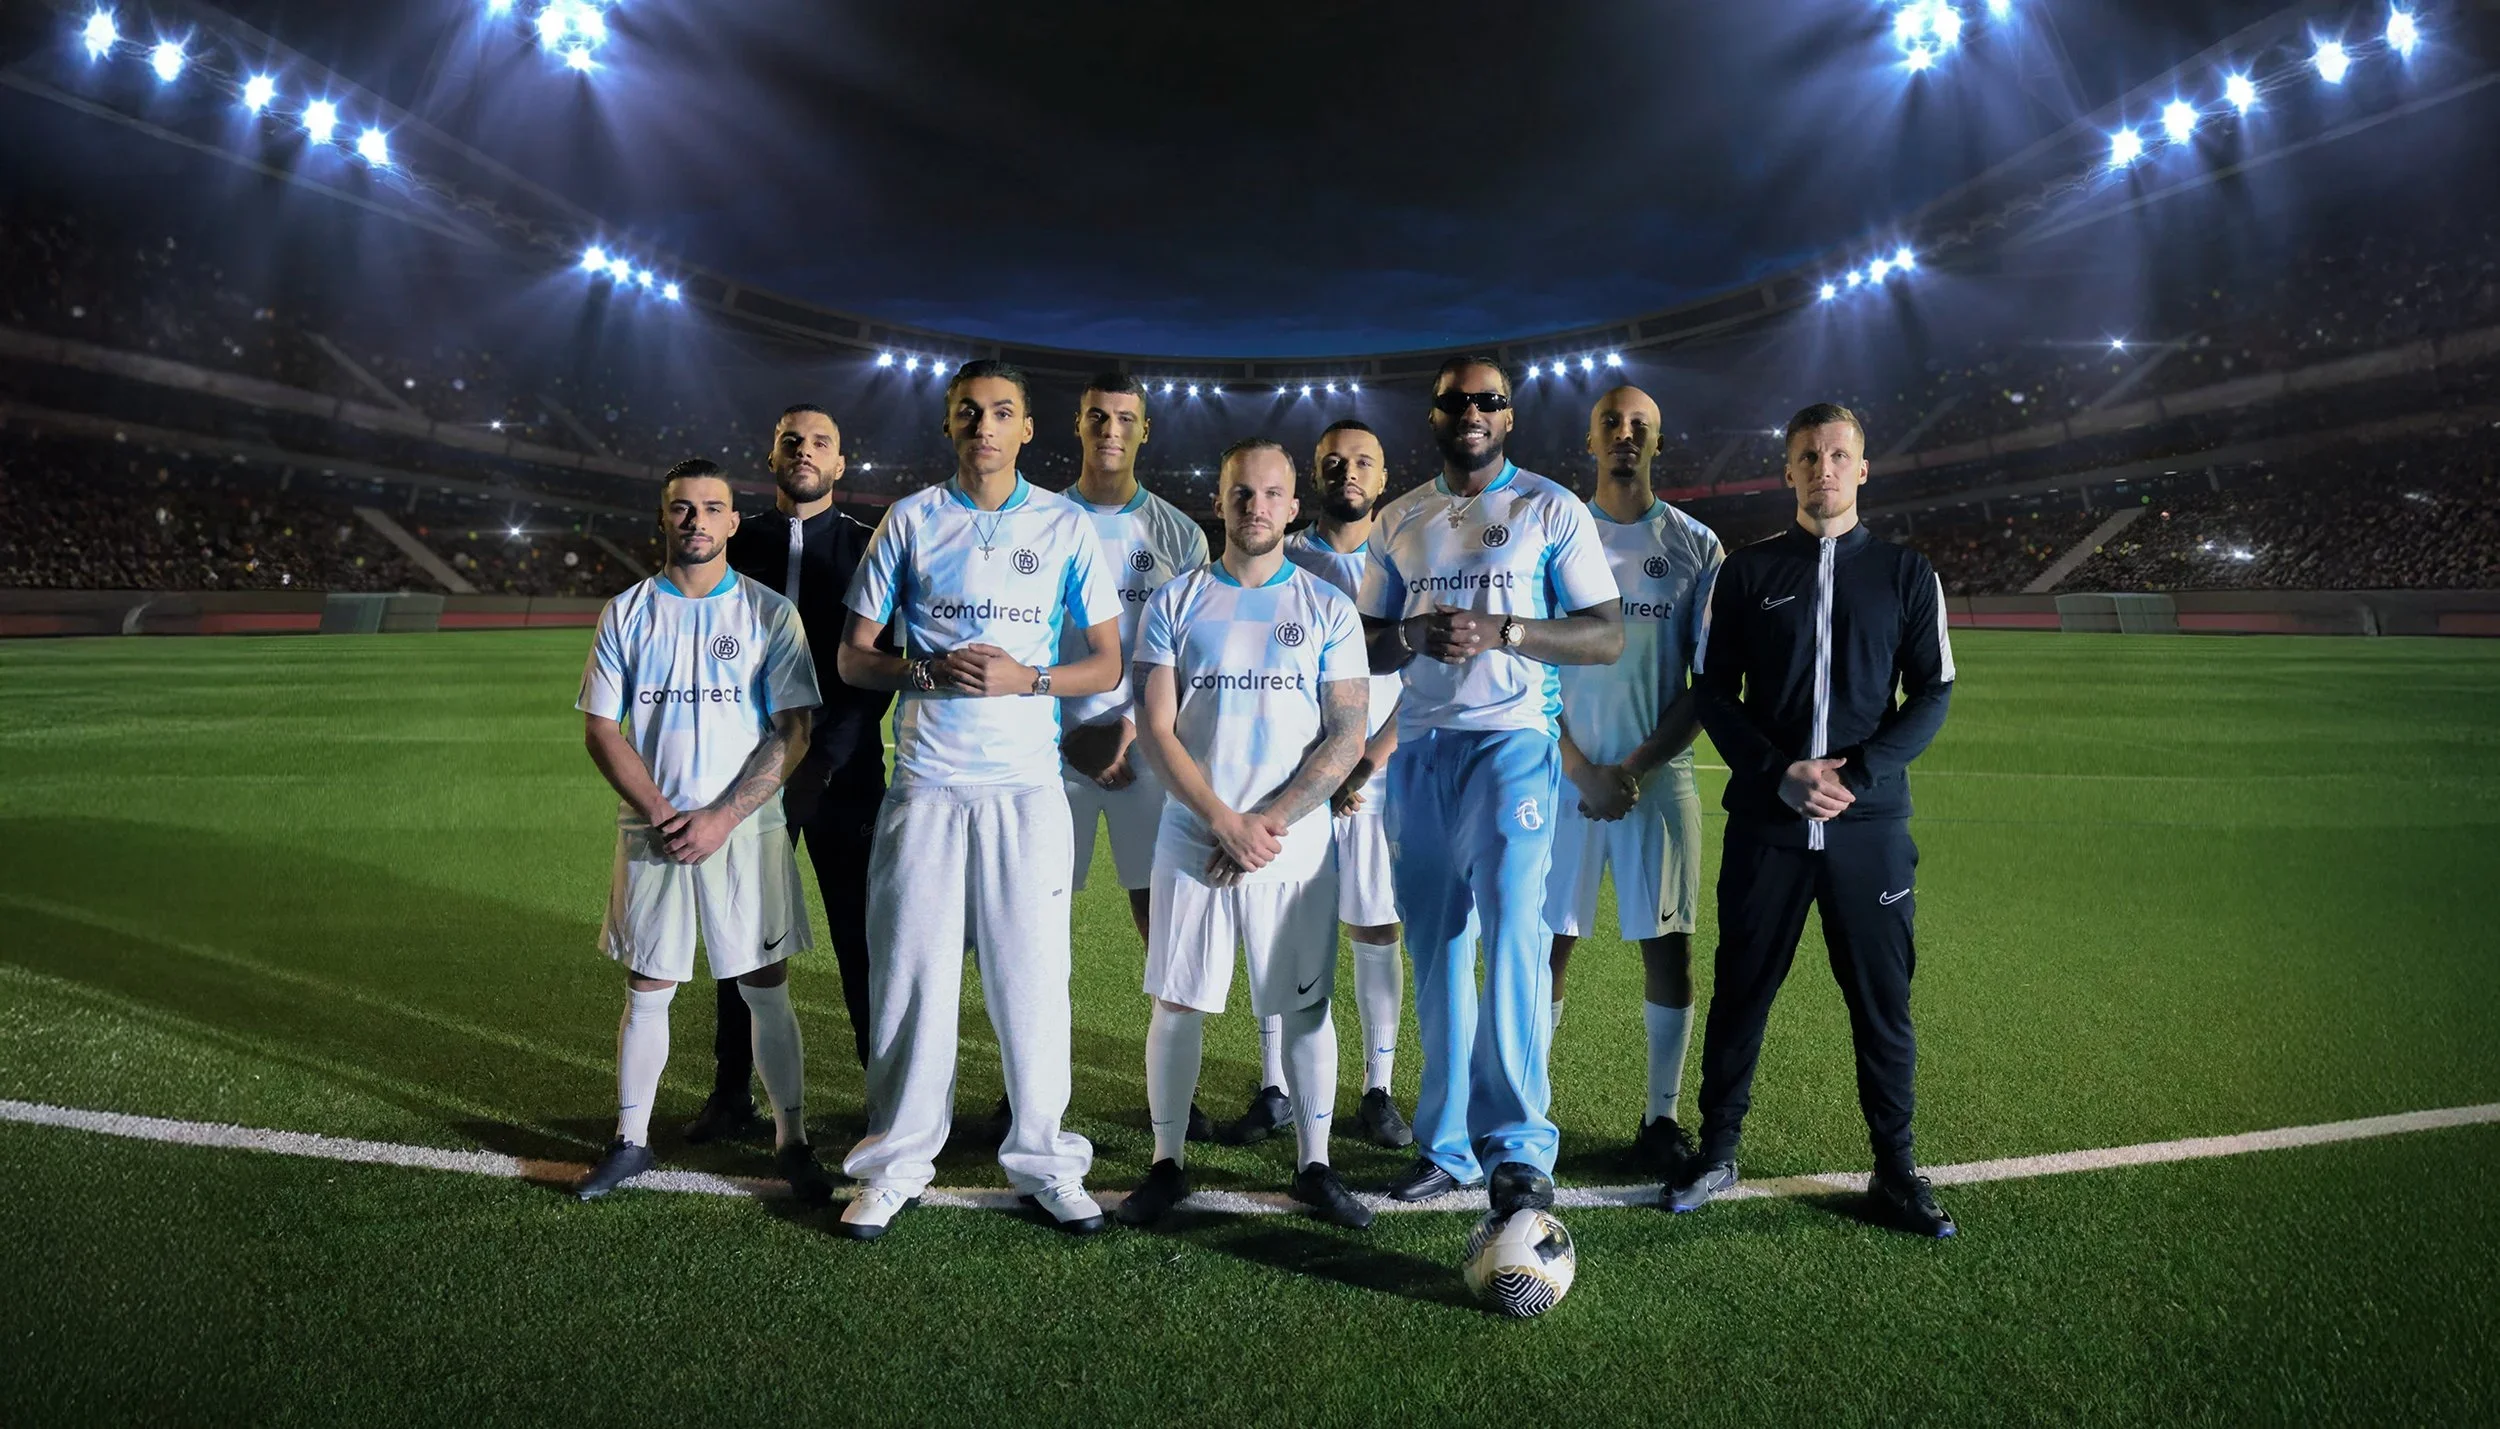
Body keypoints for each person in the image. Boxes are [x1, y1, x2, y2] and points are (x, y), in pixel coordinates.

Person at [833, 360, 1125, 1241]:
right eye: (969, 412)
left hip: (1027, 789)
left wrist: (1029, 677)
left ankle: (1044, 1162)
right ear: (949, 424)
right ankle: (894, 1163)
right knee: (912, 981)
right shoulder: (911, 520)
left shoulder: (1066, 524)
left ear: (1028, 429)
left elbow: (1106, 663)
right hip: (926, 783)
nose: (984, 426)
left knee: (1032, 984)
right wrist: (925, 668)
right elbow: (855, 657)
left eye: (1002, 413)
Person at [1669, 402, 1960, 1238]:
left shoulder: (1907, 574)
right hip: (1769, 822)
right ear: (1788, 470)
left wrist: (1860, 773)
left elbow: (1933, 690)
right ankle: (1718, 1149)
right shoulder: (1748, 573)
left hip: (1869, 832)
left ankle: (1895, 1169)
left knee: (1881, 1003)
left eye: (1839, 454)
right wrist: (1776, 770)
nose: (1824, 468)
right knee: (1742, 991)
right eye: (1808, 456)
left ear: (1863, 469)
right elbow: (1712, 691)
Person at [1356, 356, 1624, 1212]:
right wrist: (1411, 633)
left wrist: (1505, 629)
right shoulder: (1399, 517)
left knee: (1512, 941)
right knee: (1435, 955)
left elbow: (1606, 634)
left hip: (1512, 748)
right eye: (1455, 402)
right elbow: (1366, 642)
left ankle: (1516, 1146)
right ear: (1432, 416)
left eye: (1488, 401)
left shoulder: (1551, 507)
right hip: (1423, 756)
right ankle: (1445, 1145)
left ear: (1508, 417)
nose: (1471, 412)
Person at [1116, 439, 1374, 1230]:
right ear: (1219, 501)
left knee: (1305, 1009)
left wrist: (1267, 822)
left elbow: (1347, 734)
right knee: (1178, 1001)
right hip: (1194, 837)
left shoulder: (1327, 605)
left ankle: (1315, 1166)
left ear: (1293, 507)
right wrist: (1221, 820)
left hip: (1291, 847)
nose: (1255, 506)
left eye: (1271, 494)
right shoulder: (1175, 601)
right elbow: (1157, 731)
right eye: (1241, 493)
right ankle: (1167, 1164)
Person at [572, 459, 834, 1206]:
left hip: (745, 831)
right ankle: (630, 1140)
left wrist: (721, 816)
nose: (695, 520)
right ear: (664, 518)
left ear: (731, 522)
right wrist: (664, 812)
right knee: (649, 985)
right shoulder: (626, 610)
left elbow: (795, 729)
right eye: (681, 508)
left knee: (766, 988)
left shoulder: (768, 613)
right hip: (653, 829)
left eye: (711, 508)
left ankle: (793, 1138)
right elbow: (600, 727)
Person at [681, 403, 893, 1145]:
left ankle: (883, 1095)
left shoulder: (871, 545)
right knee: (742, 940)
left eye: (821, 443)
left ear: (841, 465)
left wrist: (823, 761)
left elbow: (876, 675)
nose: (804, 450)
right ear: (770, 457)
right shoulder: (735, 547)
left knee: (864, 942)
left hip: (845, 778)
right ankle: (730, 1089)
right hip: (749, 779)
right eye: (790, 440)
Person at [1543, 386, 1723, 1177]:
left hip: (1658, 780)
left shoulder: (1695, 545)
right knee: (1545, 945)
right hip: (1561, 777)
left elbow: (1705, 681)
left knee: (1669, 949)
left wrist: (1635, 766)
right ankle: (1527, 1112)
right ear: (1590, 439)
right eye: (1611, 424)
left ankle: (1661, 1115)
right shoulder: (1552, 535)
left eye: (1639, 426)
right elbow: (1530, 670)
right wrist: (1581, 767)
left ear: (1659, 442)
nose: (1624, 435)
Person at [1241, 418, 1413, 1152]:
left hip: (1372, 780)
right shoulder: (1284, 556)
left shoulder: (1406, 556)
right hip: (1293, 782)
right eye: (1334, 461)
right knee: (1277, 929)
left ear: (1382, 477)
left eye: (1363, 462)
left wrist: (1366, 761)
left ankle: (1376, 1088)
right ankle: (1274, 1086)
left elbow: (1424, 681)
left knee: (1375, 928)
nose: (1348, 471)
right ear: (1316, 475)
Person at [1050, 373, 1212, 1143]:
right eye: (1097, 417)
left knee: (1162, 917)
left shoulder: (1179, 534)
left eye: (1125, 419)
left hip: (1150, 753)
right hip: (1050, 756)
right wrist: (1066, 736)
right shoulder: (1040, 521)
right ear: (1077, 425)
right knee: (1037, 920)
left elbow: (1187, 656)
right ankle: (1031, 1082)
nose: (1109, 429)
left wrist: (1122, 733)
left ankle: (1171, 1090)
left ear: (1144, 430)